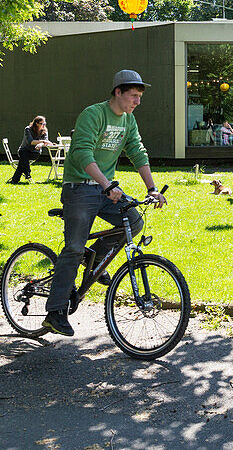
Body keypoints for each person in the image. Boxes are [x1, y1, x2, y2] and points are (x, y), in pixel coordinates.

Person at [43, 70, 166, 337]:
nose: (137, 102)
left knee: (134, 220)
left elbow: (137, 151)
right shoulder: (93, 114)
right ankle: (54, 312)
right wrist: (105, 184)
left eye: (140, 97)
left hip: (105, 188)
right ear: (118, 92)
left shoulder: (128, 120)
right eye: (134, 96)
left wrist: (152, 189)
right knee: (74, 248)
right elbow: (82, 153)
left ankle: (94, 261)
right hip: (79, 187)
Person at [8, 115, 55, 184]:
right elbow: (31, 142)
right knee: (23, 154)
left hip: (35, 152)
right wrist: (42, 142)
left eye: (45, 123)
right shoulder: (28, 129)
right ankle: (26, 174)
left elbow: (45, 141)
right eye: (42, 124)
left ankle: (17, 178)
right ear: (36, 123)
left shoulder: (44, 130)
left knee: (23, 161)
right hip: (24, 150)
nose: (44, 125)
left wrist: (41, 144)